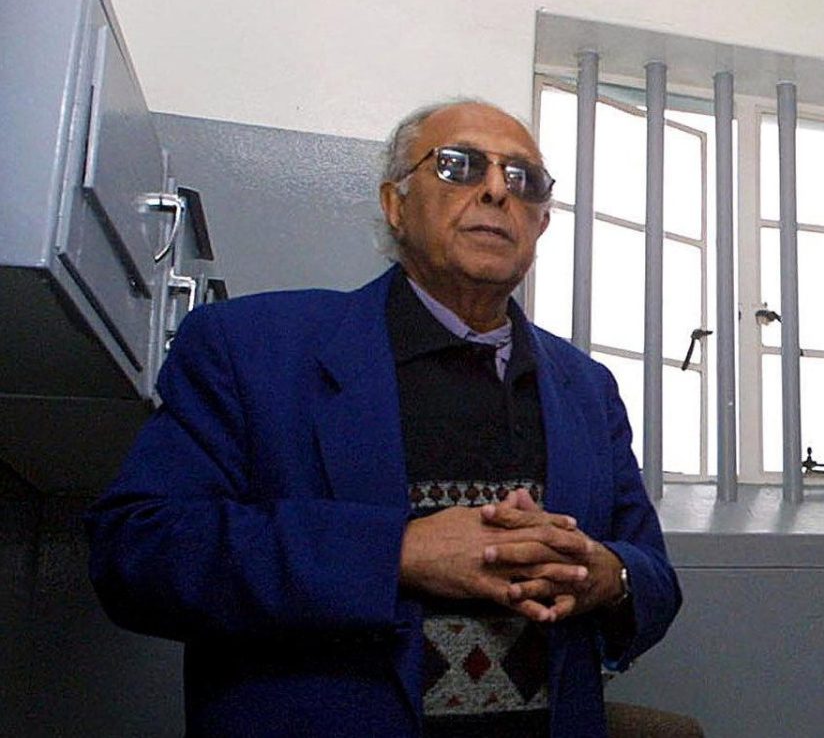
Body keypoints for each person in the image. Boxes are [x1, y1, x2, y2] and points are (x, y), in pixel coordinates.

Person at [86, 99, 681, 738]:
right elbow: (139, 553)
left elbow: (652, 577)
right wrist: (392, 551)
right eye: (458, 166)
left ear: (539, 224)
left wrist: (604, 575)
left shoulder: (587, 387)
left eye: (522, 180)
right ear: (396, 204)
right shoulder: (249, 347)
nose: (493, 192)